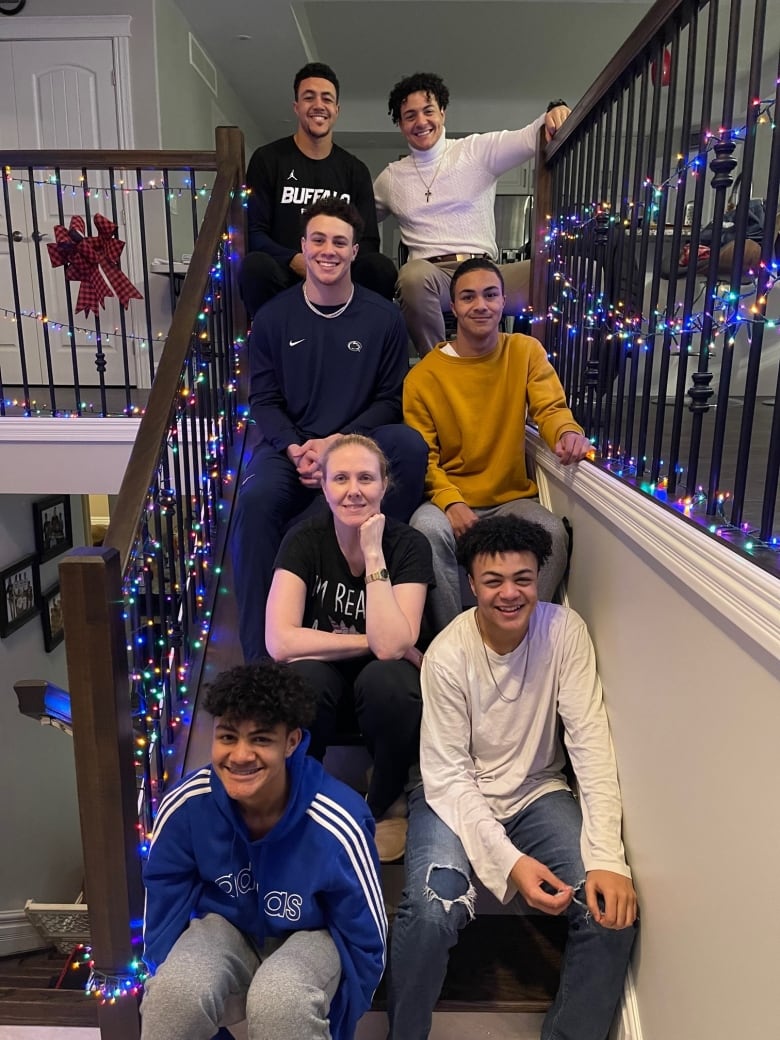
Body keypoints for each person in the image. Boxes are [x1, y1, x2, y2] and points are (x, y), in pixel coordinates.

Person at [388, 515, 637, 1040]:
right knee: (434, 913)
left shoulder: (564, 631)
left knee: (610, 912)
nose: (509, 593)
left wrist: (609, 860)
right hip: (450, 795)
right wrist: (511, 863)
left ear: (539, 579)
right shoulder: (448, 654)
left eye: (522, 579)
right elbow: (450, 777)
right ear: (472, 584)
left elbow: (590, 745)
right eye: (493, 581)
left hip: (537, 790)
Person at [140, 661, 386, 1040]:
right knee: (173, 993)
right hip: (226, 929)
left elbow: (366, 940)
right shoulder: (188, 805)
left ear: (291, 742)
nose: (240, 755)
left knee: (280, 1000)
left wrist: (338, 1026)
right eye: (227, 737)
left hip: (313, 934)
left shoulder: (340, 819)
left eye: (260, 739)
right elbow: (162, 915)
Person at [232, 196, 427, 663]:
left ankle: (365, 572)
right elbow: (264, 399)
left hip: (358, 445)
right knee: (255, 502)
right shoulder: (274, 319)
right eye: (318, 239)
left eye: (340, 242)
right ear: (303, 246)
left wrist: (339, 444)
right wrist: (297, 445)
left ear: (355, 251)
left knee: (408, 444)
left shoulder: (383, 319)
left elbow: (390, 398)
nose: (328, 250)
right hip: (291, 448)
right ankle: (261, 667)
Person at [266, 434, 433, 863]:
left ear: (384, 485)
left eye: (365, 478)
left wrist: (374, 553)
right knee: (303, 676)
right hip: (327, 685)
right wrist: (370, 641)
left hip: (381, 694)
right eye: (340, 478)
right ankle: (307, 798)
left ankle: (384, 803)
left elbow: (395, 645)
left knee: (391, 679)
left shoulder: (408, 545)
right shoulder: (304, 541)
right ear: (323, 486)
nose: (353, 489)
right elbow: (280, 641)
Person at [404, 257, 590, 629]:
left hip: (512, 498)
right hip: (450, 497)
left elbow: (550, 408)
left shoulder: (524, 351)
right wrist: (451, 501)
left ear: (504, 301)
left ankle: (523, 639)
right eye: (468, 297)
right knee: (425, 530)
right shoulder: (422, 377)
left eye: (490, 295)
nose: (481, 305)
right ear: (453, 307)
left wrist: (567, 431)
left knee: (552, 534)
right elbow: (423, 458)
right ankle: (455, 642)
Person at [373, 71, 571, 355]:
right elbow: (359, 219)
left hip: (487, 272)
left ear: (442, 112)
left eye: (428, 111)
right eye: (410, 115)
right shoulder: (391, 178)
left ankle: (541, 364)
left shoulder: (475, 150)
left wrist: (555, 110)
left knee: (570, 272)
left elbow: (529, 137)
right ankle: (439, 369)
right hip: (434, 278)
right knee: (411, 276)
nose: (421, 122)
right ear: (401, 124)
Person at [240, 62, 396, 317]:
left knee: (379, 267)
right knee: (255, 266)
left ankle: (365, 344)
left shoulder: (354, 170)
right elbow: (254, 232)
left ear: (336, 109)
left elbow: (367, 240)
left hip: (342, 276)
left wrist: (337, 265)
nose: (318, 105)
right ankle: (268, 345)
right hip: (287, 273)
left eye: (327, 98)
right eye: (308, 97)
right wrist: (295, 260)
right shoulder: (268, 159)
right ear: (296, 107)